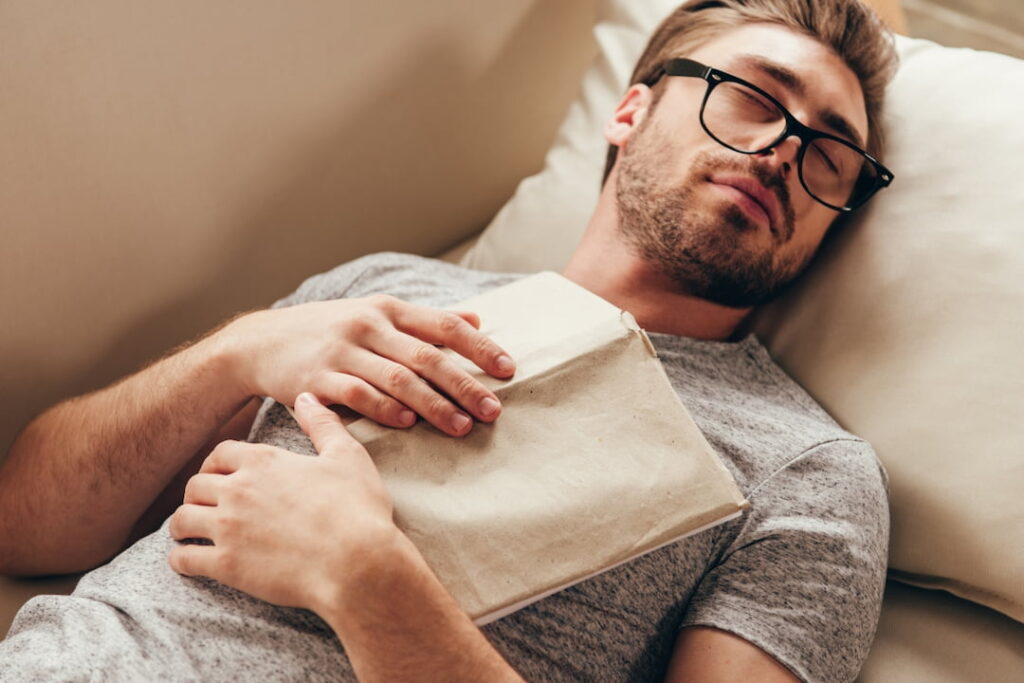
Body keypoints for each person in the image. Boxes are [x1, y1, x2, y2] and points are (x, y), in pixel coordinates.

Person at [0, 0, 898, 680]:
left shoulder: (808, 470)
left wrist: (365, 578)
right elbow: (22, 525)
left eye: (832, 154)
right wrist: (237, 352)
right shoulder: (376, 289)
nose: (785, 150)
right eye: (750, 97)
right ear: (630, 113)